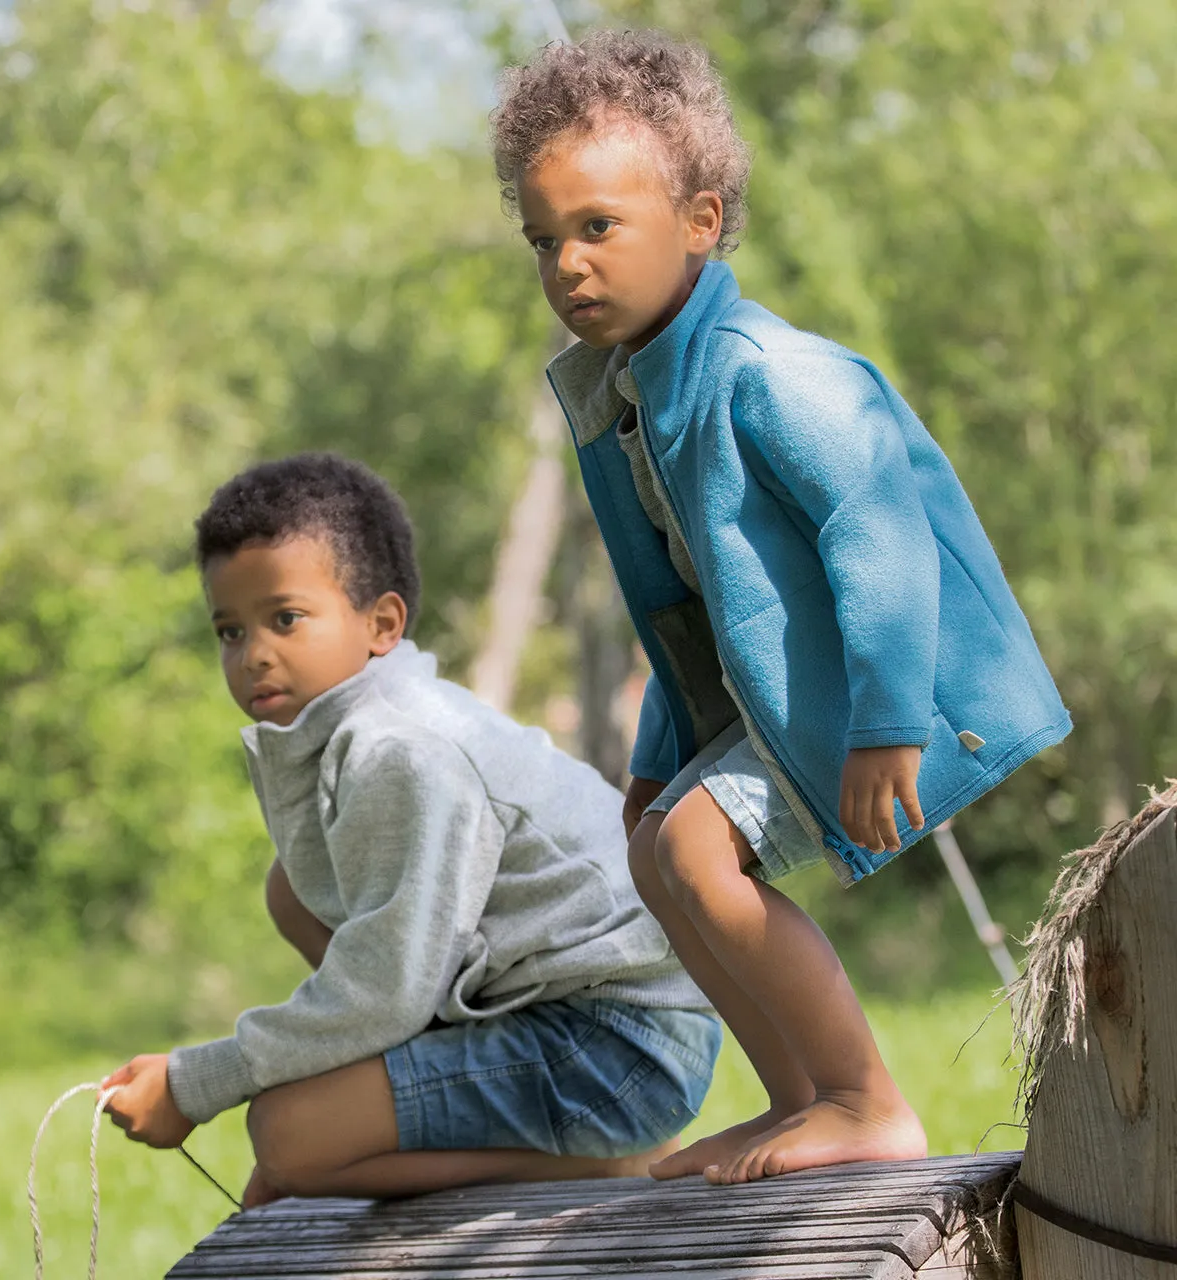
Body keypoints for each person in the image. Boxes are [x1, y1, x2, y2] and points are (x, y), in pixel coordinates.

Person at [491, 30, 1071, 1184]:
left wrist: (883, 721)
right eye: (542, 239)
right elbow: (682, 613)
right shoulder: (632, 397)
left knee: (701, 849)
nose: (566, 265)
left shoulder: (765, 371)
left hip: (895, 685)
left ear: (699, 222)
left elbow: (878, 529)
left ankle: (867, 1100)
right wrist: (656, 761)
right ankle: (798, 1096)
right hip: (784, 695)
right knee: (661, 849)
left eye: (597, 227)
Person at [101, 452, 721, 1206]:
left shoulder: (404, 752)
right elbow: (384, 965)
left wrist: (199, 1081)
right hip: (550, 1012)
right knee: (291, 889)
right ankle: (379, 1119)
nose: (254, 653)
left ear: (381, 623)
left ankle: (611, 1166)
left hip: (618, 1045)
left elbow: (386, 986)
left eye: (285, 618)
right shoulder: (358, 729)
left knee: (289, 1139)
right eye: (230, 631)